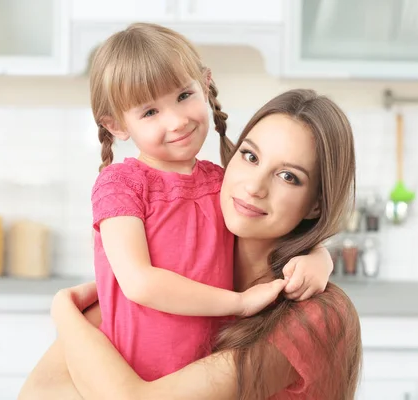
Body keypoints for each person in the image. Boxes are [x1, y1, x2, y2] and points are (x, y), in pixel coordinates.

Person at [22, 88, 362, 400]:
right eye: (250, 156)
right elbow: (38, 392)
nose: (254, 186)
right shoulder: (179, 273)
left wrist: (65, 313)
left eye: (289, 176)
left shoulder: (314, 316)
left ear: (317, 204)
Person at [59, 21, 336, 384]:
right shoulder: (120, 185)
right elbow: (139, 283)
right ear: (116, 126)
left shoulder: (220, 183)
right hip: (132, 379)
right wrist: (239, 303)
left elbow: (260, 247)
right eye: (149, 112)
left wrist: (320, 258)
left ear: (205, 85)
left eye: (183, 96)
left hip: (203, 377)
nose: (176, 121)